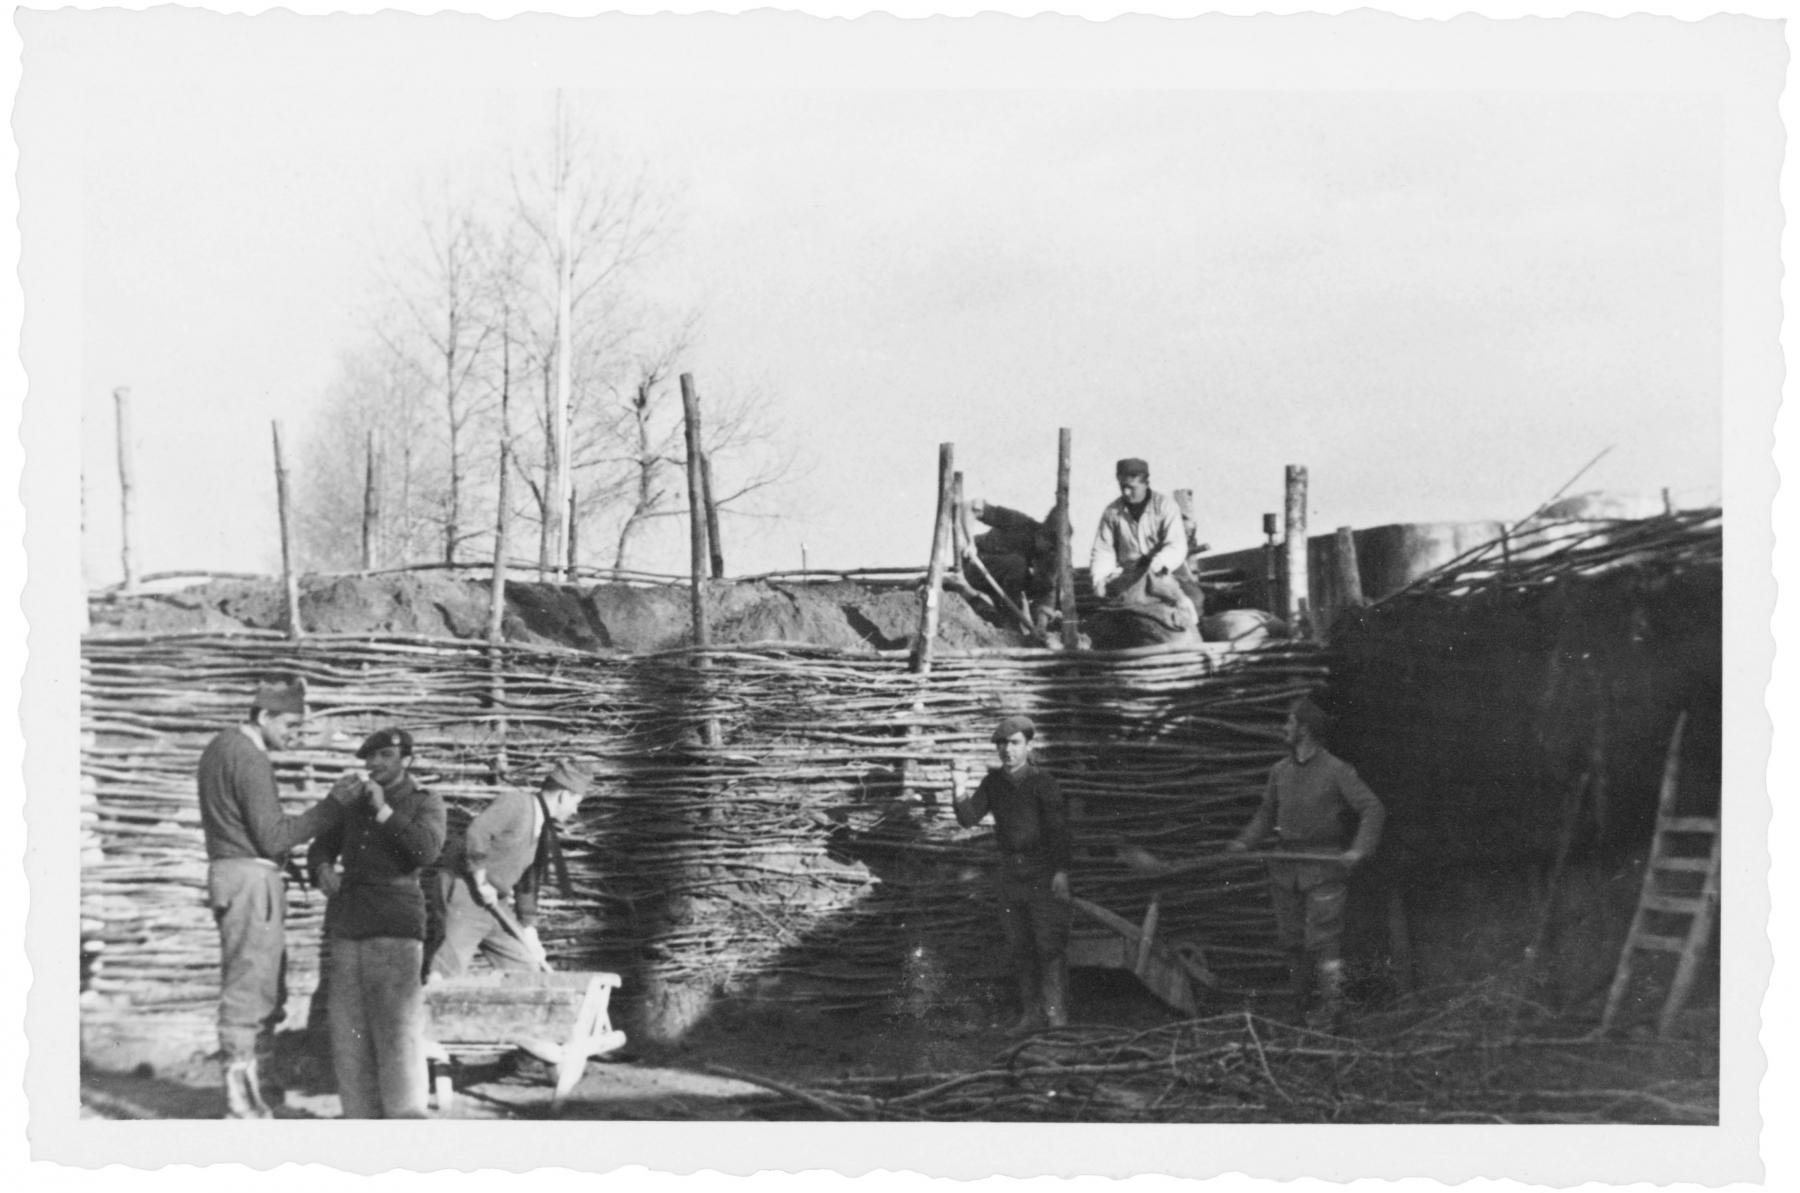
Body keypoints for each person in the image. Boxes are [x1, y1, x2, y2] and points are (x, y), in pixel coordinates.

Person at [197, 676, 363, 1119]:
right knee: (250, 987)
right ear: (263, 715)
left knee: (264, 983)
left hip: (236, 876)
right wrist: (333, 807)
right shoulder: (248, 757)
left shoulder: (220, 748)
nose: (295, 733)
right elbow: (273, 838)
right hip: (250, 879)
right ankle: (241, 1101)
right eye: (289, 724)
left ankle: (260, 1087)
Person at [307, 728, 446, 1118]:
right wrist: (320, 869)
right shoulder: (352, 804)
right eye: (370, 757)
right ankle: (360, 1122)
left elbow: (426, 850)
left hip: (396, 926)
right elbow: (320, 844)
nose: (375, 764)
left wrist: (385, 812)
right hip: (349, 924)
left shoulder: (425, 801)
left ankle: (405, 1124)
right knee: (350, 1037)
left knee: (398, 1036)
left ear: (407, 760)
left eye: (386, 755)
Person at [1227, 698, 1386, 1030]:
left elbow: (1372, 808)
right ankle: (1298, 1012)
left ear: (1305, 728)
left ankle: (1334, 1012)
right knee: (1292, 943)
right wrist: (1245, 841)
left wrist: (1359, 850)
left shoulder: (1337, 770)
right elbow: (1266, 814)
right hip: (1286, 869)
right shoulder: (1279, 772)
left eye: (1289, 723)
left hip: (1323, 867)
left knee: (1324, 941)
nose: (1284, 729)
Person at [952, 715, 1073, 1032]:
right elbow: (968, 818)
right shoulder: (993, 784)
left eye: (1015, 743)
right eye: (1002, 744)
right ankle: (1031, 1017)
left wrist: (1060, 871)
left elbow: (1059, 830)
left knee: (1048, 945)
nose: (1007, 750)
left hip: (1042, 872)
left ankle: (1057, 1018)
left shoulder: (1042, 782)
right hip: (1010, 874)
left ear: (1028, 746)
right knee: (1021, 947)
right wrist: (958, 785)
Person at [428, 759, 592, 980]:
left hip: (495, 903)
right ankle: (426, 1006)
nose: (575, 810)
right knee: (447, 970)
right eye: (576, 802)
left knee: (526, 970)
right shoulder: (516, 804)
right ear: (563, 796)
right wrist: (480, 880)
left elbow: (527, 883)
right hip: (465, 891)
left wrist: (529, 930)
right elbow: (477, 833)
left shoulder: (542, 830)